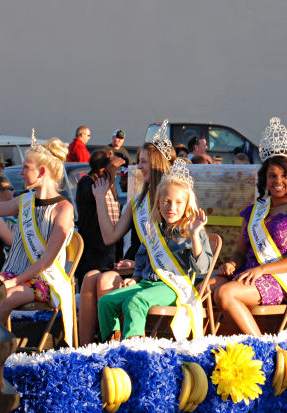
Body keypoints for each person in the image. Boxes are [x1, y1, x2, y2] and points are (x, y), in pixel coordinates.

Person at [0, 133, 76, 344]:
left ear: (41, 172)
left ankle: (0, 358)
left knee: (2, 300)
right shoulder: (25, 201)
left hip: (45, 281)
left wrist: (13, 281)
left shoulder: (63, 209)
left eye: (25, 167)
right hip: (16, 274)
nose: (20, 172)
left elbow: (46, 261)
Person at [211, 117, 287, 336]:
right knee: (204, 287)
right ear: (265, 179)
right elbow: (240, 252)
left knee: (224, 294)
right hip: (247, 274)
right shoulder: (254, 212)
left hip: (280, 280)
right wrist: (231, 264)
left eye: (284, 175)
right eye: (272, 176)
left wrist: (262, 269)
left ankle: (260, 345)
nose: (278, 181)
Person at [97, 159, 212, 341]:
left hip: (173, 287)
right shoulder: (154, 230)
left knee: (135, 301)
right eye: (166, 201)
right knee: (106, 302)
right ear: (158, 203)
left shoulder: (193, 231)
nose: (171, 207)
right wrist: (135, 278)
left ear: (187, 205)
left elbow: (203, 268)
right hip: (147, 284)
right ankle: (112, 343)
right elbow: (142, 257)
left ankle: (133, 348)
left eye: (178, 202)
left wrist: (195, 234)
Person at [77, 139, 172, 345]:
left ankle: (115, 342)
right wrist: (100, 199)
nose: (139, 166)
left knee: (103, 280)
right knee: (89, 277)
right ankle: (84, 347)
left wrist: (138, 266)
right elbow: (110, 237)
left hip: (154, 272)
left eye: (144, 162)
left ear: (157, 164)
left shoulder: (171, 203)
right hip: (135, 265)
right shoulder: (138, 202)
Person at [75, 149, 120, 288]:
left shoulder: (101, 183)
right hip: (94, 247)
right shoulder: (88, 183)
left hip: (107, 245)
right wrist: (112, 166)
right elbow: (104, 183)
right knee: (93, 283)